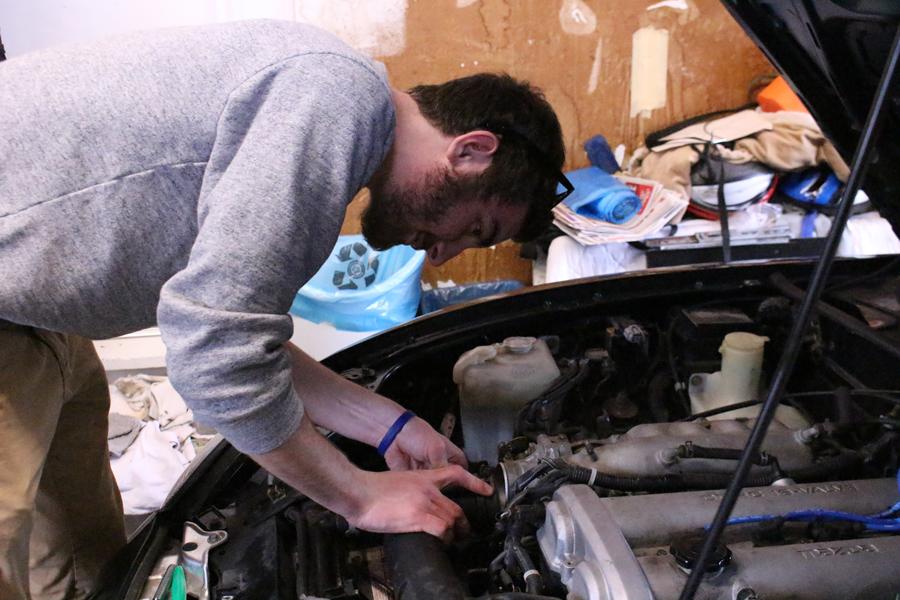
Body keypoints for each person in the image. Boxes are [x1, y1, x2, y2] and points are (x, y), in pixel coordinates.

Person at [0, 19, 566, 599]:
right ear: (471, 151)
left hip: (40, 323)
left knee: (82, 557)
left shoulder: (326, 95)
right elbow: (217, 358)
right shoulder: (333, 101)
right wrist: (359, 496)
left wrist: (388, 425)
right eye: (475, 228)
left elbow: (233, 332)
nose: (444, 257)